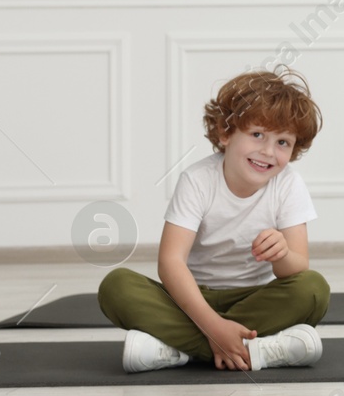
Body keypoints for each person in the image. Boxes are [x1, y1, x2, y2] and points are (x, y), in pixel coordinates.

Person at [98, 69, 329, 373]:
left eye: (283, 142)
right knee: (117, 286)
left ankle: (178, 349)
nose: (268, 151)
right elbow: (170, 263)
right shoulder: (197, 180)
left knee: (313, 289)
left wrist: (282, 253)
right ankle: (255, 350)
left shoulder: (288, 185)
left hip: (254, 299)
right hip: (192, 299)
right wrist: (212, 325)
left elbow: (298, 268)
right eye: (257, 134)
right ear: (226, 133)